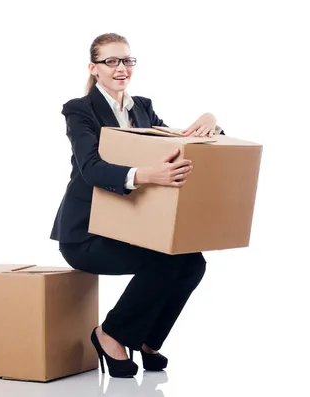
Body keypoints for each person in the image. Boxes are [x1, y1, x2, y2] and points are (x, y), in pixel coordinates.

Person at [50, 33, 223, 378]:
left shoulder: (141, 107)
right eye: (111, 61)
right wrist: (146, 175)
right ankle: (110, 334)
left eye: (127, 60)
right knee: (163, 262)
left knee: (192, 263)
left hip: (129, 227)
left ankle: (147, 340)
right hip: (85, 234)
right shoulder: (80, 110)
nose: (121, 68)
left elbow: (175, 143)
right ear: (94, 68)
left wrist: (211, 122)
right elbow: (91, 168)